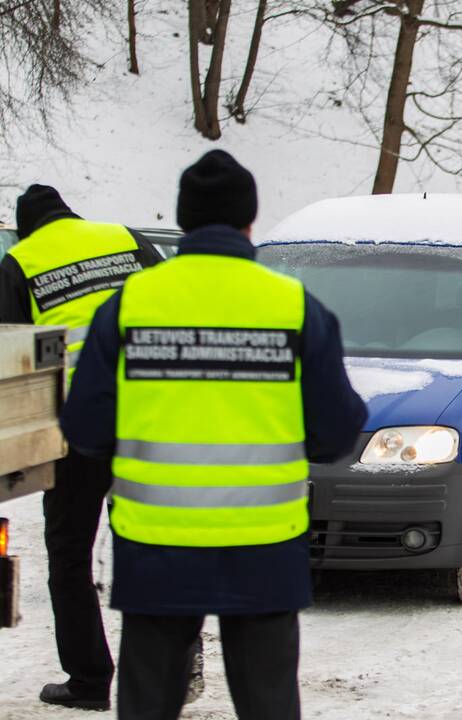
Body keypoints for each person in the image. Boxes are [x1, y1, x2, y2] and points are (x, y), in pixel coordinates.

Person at [60, 149, 367, 720]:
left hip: (155, 545)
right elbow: (336, 433)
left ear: (184, 220)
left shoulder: (129, 305)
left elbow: (83, 428)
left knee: (149, 700)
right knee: (269, 699)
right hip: (264, 545)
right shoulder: (294, 307)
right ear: (249, 222)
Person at [0, 185, 161, 711]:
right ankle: (166, 668)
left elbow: (12, 357)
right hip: (154, 415)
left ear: (27, 229)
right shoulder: (126, 239)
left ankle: (89, 680)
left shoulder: (19, 263)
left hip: (78, 428)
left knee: (70, 553)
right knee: (155, 546)